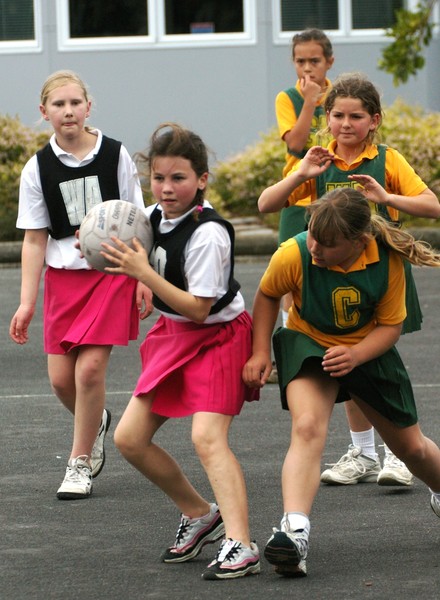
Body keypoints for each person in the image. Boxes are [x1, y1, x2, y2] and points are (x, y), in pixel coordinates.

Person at [244, 186, 440, 578]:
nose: (316, 247)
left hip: (366, 348)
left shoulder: (387, 260)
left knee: (411, 449)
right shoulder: (295, 252)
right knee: (307, 427)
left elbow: (390, 327)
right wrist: (260, 351)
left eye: (328, 243)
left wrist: (356, 355)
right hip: (309, 342)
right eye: (313, 235)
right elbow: (267, 295)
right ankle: (294, 532)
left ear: (358, 241)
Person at [258, 72, 440, 487]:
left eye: (355, 116)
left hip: (376, 279)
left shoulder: (387, 160)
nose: (345, 124)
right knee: (343, 362)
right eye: (337, 114)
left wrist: (387, 198)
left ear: (373, 120)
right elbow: (267, 203)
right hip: (324, 279)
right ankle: (363, 450)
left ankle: (397, 450)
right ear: (326, 116)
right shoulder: (318, 161)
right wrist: (301, 174)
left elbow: (432, 205)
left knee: (376, 364)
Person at [101, 123, 260, 580]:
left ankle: (241, 543)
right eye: (160, 178)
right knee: (129, 439)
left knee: (207, 438)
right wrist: (102, 249)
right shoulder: (150, 218)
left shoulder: (209, 234)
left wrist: (145, 277)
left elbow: (198, 308)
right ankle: (198, 512)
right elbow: (140, 260)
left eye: (179, 179)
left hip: (218, 337)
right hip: (174, 335)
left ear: (202, 179)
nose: (167, 189)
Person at [9, 70, 151, 500]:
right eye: (58, 105)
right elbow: (35, 240)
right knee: (60, 380)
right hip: (64, 283)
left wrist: (145, 276)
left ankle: (79, 462)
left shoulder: (115, 155)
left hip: (110, 275)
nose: (68, 111)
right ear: (44, 112)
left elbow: (140, 218)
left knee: (90, 371)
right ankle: (97, 422)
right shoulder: (38, 168)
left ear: (88, 107)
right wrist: (26, 303)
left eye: (75, 103)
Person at [272, 28, 334, 373]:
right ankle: (291, 348)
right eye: (300, 61)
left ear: (329, 62)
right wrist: (309, 101)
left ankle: (332, 341)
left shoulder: (343, 97)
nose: (307, 69)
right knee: (290, 271)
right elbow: (296, 146)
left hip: (335, 196)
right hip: (298, 198)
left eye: (315, 61)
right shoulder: (288, 98)